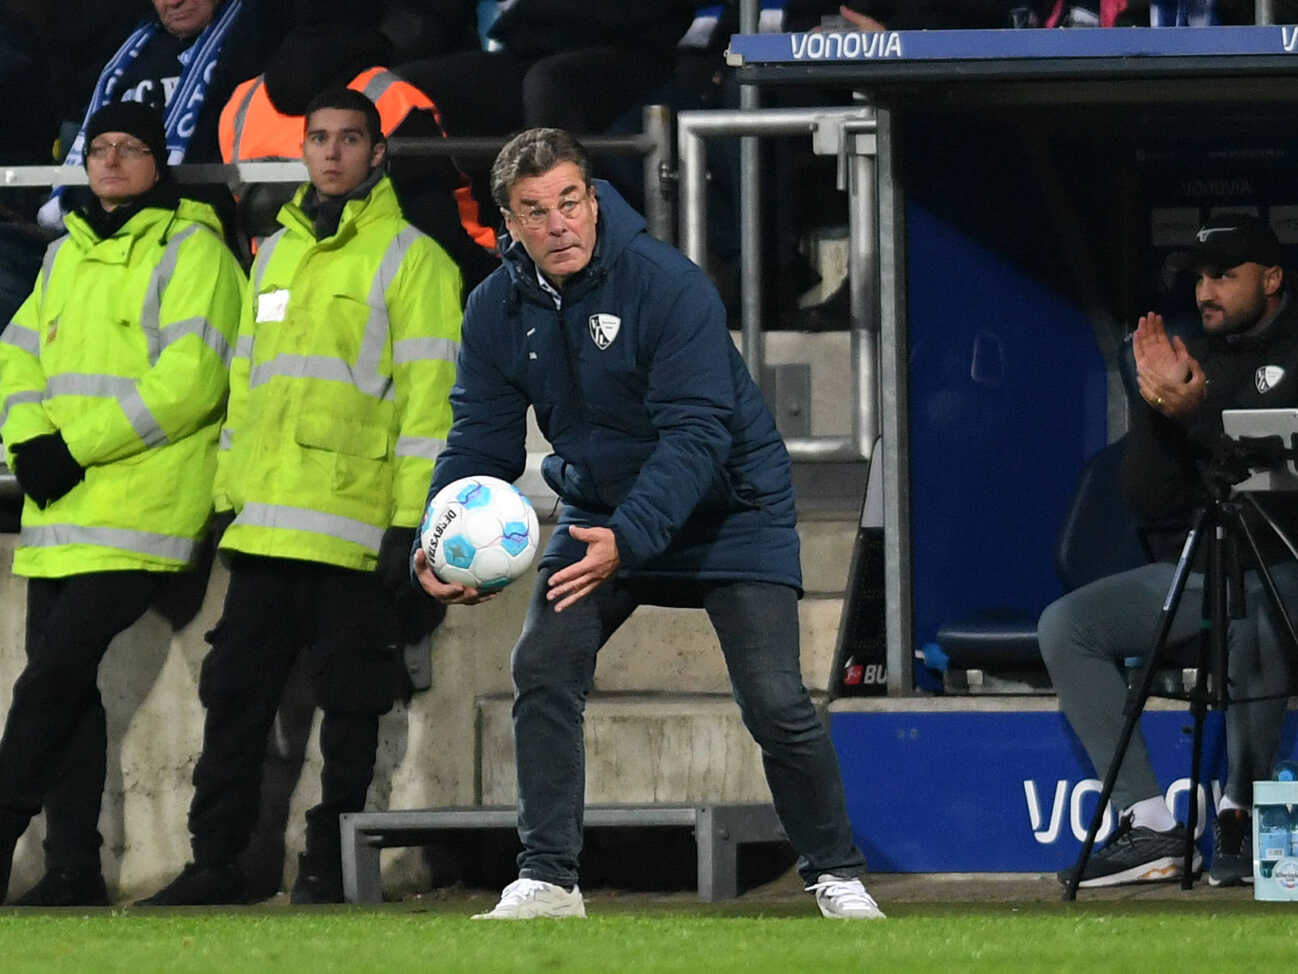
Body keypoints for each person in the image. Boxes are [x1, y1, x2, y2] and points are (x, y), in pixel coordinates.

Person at [413, 127, 885, 921]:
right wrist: (437, 539)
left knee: (774, 701)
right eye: (536, 211)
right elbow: (478, 439)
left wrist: (628, 539)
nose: (558, 223)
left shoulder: (667, 285)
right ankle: (550, 880)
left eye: (570, 201)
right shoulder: (495, 307)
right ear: (510, 221)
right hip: (601, 510)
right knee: (544, 666)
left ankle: (837, 873)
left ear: (592, 199)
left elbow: (698, 432)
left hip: (729, 510)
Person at [140, 87, 461, 906]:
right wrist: (222, 503)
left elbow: (432, 405)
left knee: (352, 710)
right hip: (263, 534)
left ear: (376, 152)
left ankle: (331, 866)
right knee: (234, 703)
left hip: (356, 534)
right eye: (318, 139)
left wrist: (410, 526)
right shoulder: (273, 255)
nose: (331, 153)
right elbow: (246, 391)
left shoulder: (414, 260)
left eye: (349, 139)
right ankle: (216, 864)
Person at [0, 101, 244, 906]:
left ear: (157, 160)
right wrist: (29, 441)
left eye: (128, 148)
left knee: (49, 682)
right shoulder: (66, 252)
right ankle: (71, 866)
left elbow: (190, 383)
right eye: (98, 149)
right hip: (61, 508)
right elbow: (18, 355)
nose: (109, 161)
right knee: (63, 688)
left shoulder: (192, 248)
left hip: (141, 507)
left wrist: (69, 447)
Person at [1040, 214, 1298, 889]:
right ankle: (1150, 824)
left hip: (1287, 566)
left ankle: (1244, 813)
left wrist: (1196, 417)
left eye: (1224, 275)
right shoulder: (1192, 356)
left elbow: (1266, 470)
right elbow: (1148, 501)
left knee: (1252, 611)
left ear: (1271, 279)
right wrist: (1154, 407)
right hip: (1209, 566)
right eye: (1200, 278)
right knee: (1069, 625)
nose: (1207, 291)